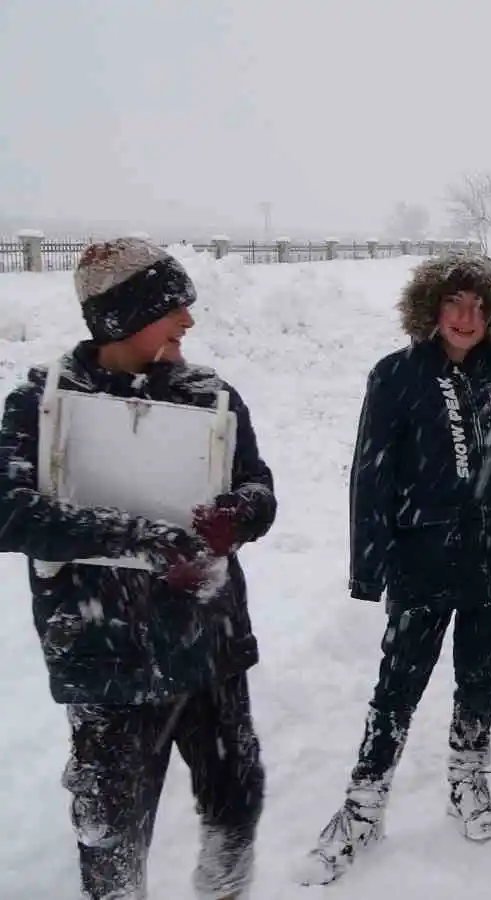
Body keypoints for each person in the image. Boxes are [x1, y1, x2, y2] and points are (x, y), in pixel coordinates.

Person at [0, 238, 275, 899]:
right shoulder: (43, 402)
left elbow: (260, 486)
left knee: (236, 801)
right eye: (174, 308)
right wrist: (141, 539)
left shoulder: (211, 394)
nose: (188, 322)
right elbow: (10, 511)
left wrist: (240, 514)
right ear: (122, 318)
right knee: (112, 830)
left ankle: (226, 891)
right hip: (106, 659)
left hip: (210, 645)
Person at [302, 253, 491, 884]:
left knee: (479, 676)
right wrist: (369, 566)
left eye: (478, 305)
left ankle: (468, 778)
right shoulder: (397, 375)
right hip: (421, 559)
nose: (466, 317)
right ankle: (364, 802)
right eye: (454, 303)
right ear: (431, 309)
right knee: (398, 684)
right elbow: (371, 472)